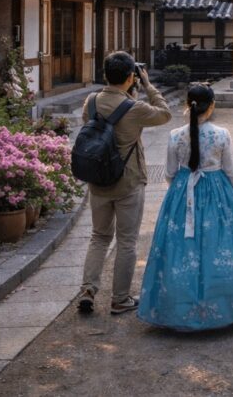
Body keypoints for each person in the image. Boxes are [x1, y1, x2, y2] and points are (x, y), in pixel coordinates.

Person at [138, 83, 233, 331]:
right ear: (212, 106)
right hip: (218, 194)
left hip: (183, 193)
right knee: (218, 245)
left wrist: (180, 190)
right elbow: (232, 171)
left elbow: (169, 173)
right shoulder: (221, 134)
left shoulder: (175, 135)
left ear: (188, 105)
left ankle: (179, 304)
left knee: (182, 249)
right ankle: (223, 303)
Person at [78, 51, 171, 315]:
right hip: (128, 180)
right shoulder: (136, 108)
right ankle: (120, 298)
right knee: (126, 240)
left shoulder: (92, 101)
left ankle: (88, 290)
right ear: (131, 77)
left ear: (105, 74)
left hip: (98, 180)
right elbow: (164, 114)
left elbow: (96, 127)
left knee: (99, 236)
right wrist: (149, 86)